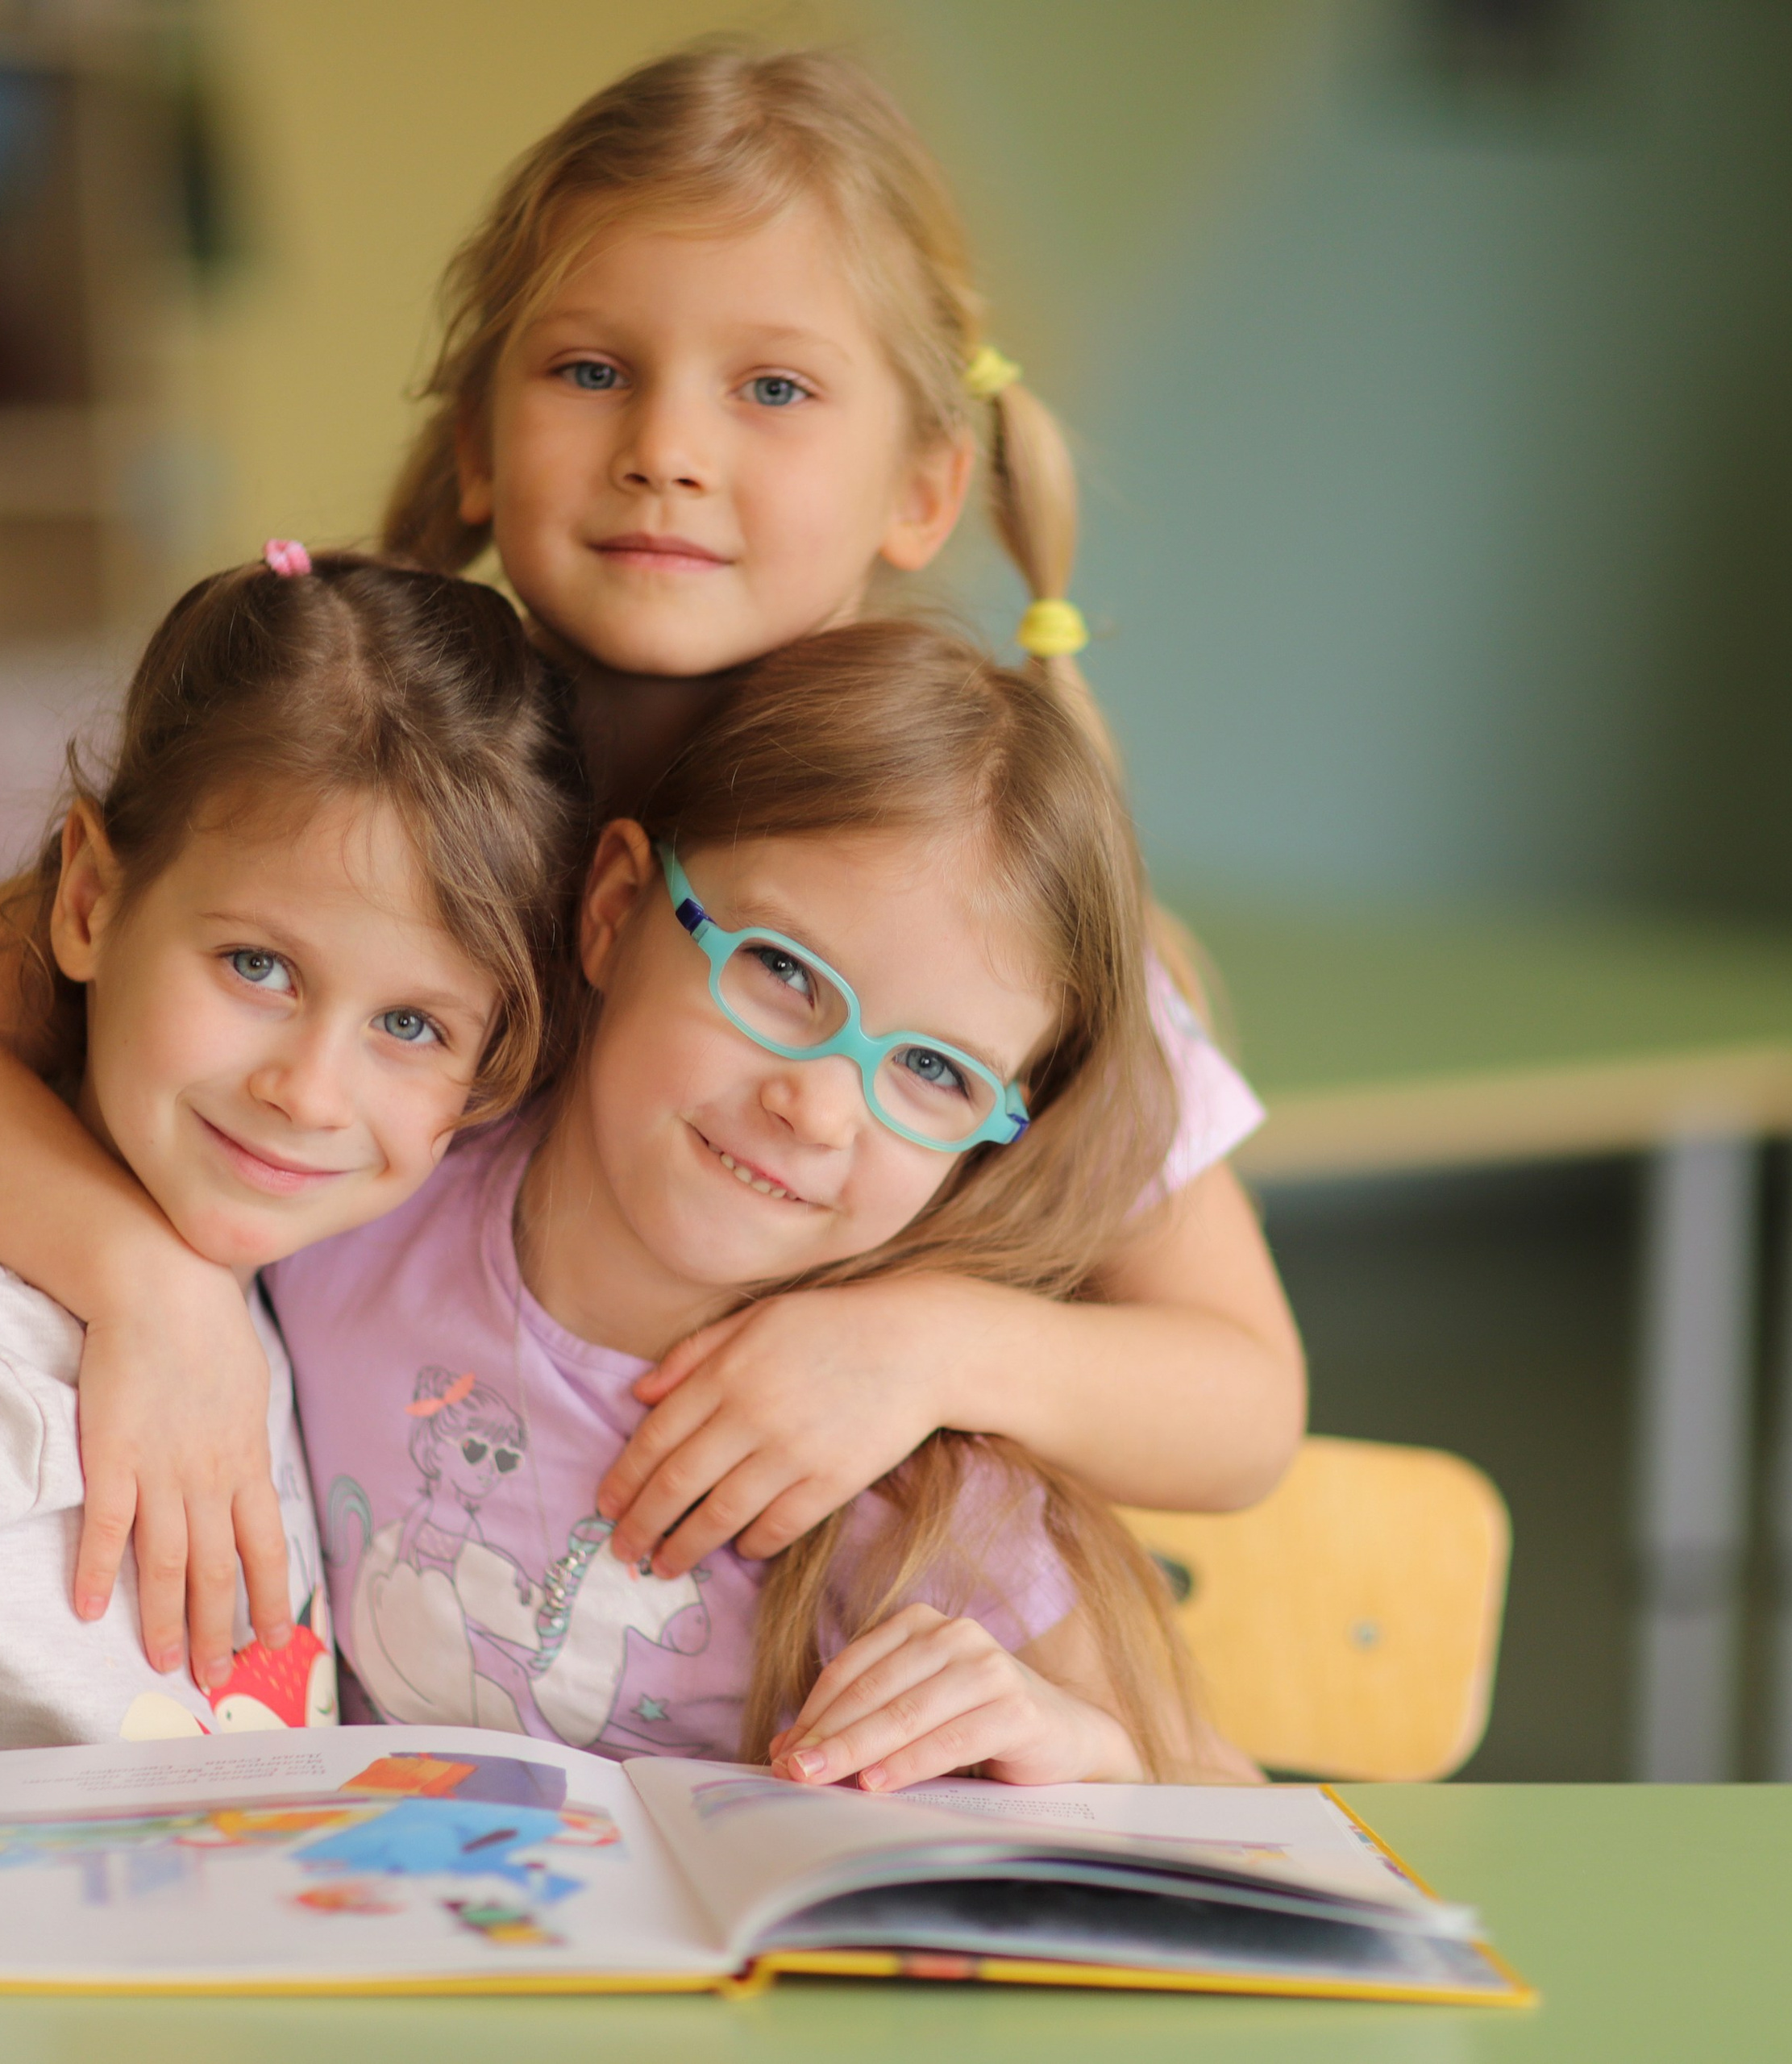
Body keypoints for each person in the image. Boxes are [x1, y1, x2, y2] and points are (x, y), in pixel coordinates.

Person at [0, 41, 1303, 1692]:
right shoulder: (370, 788)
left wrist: (916, 1343)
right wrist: (145, 1279)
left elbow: (1242, 1403)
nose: (665, 448)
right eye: (591, 370)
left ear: (922, 488)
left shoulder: (948, 891)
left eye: (771, 388)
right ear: (477, 434)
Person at [273, 619, 1249, 1787]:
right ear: (615, 907)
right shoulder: (350, 1197)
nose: (823, 1110)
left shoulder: (923, 1496)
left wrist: (1090, 1757)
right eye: (783, 971)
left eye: (935, 1072)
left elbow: (1230, 1819)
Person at [0, 547, 584, 1744]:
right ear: (89, 904)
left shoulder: (310, 1308)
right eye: (257, 966)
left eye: (412, 1025)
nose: (309, 1094)